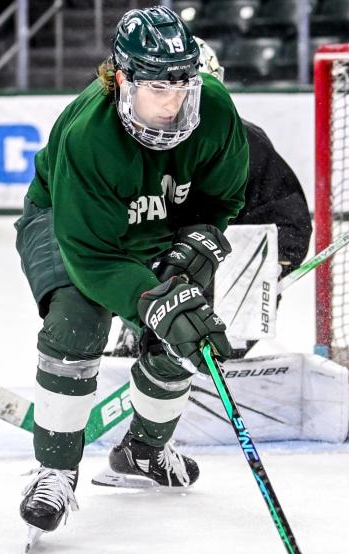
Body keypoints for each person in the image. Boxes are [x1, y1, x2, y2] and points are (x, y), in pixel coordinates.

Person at [13, 6, 248, 542]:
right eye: (157, 90)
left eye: (183, 88)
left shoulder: (214, 109)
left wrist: (199, 239)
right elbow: (93, 256)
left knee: (184, 334)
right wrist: (149, 300)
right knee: (77, 321)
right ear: (123, 79)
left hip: (157, 223)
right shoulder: (87, 135)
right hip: (70, 225)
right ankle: (56, 471)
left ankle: (142, 451)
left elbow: (222, 198)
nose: (173, 105)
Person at [109, 37, 312, 358]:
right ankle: (139, 354)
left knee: (204, 338)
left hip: (231, 279)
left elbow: (289, 223)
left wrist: (268, 266)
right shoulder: (134, 144)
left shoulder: (247, 142)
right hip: (163, 275)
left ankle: (207, 359)